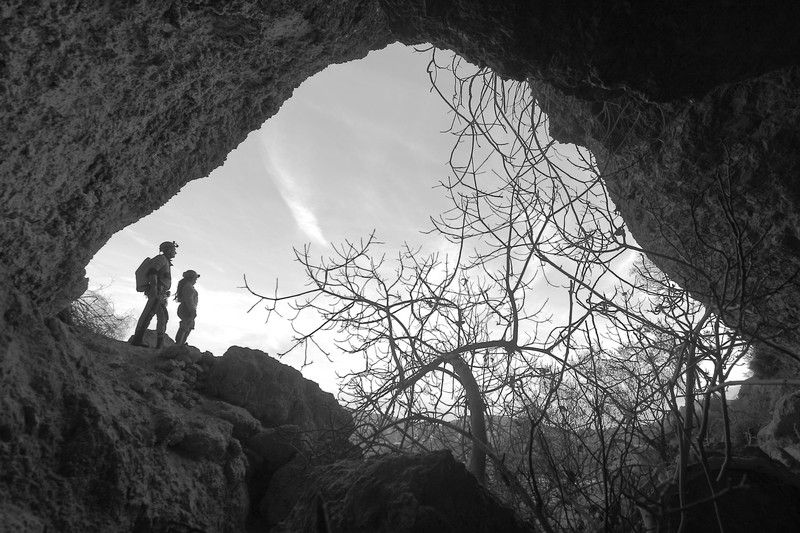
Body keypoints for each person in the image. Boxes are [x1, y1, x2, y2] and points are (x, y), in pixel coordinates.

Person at [129, 241, 177, 348]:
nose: (175, 252)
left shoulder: (165, 261)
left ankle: (159, 345)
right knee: (148, 314)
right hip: (157, 292)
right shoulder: (161, 259)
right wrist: (155, 288)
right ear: (168, 249)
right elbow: (152, 272)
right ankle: (138, 340)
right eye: (173, 249)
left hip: (161, 293)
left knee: (163, 317)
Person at [174, 269, 199, 345]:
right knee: (185, 326)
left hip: (186, 307)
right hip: (187, 308)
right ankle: (179, 343)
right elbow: (189, 300)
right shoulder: (188, 287)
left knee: (188, 326)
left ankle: (180, 343)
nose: (196, 280)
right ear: (191, 278)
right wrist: (192, 310)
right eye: (195, 278)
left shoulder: (188, 286)